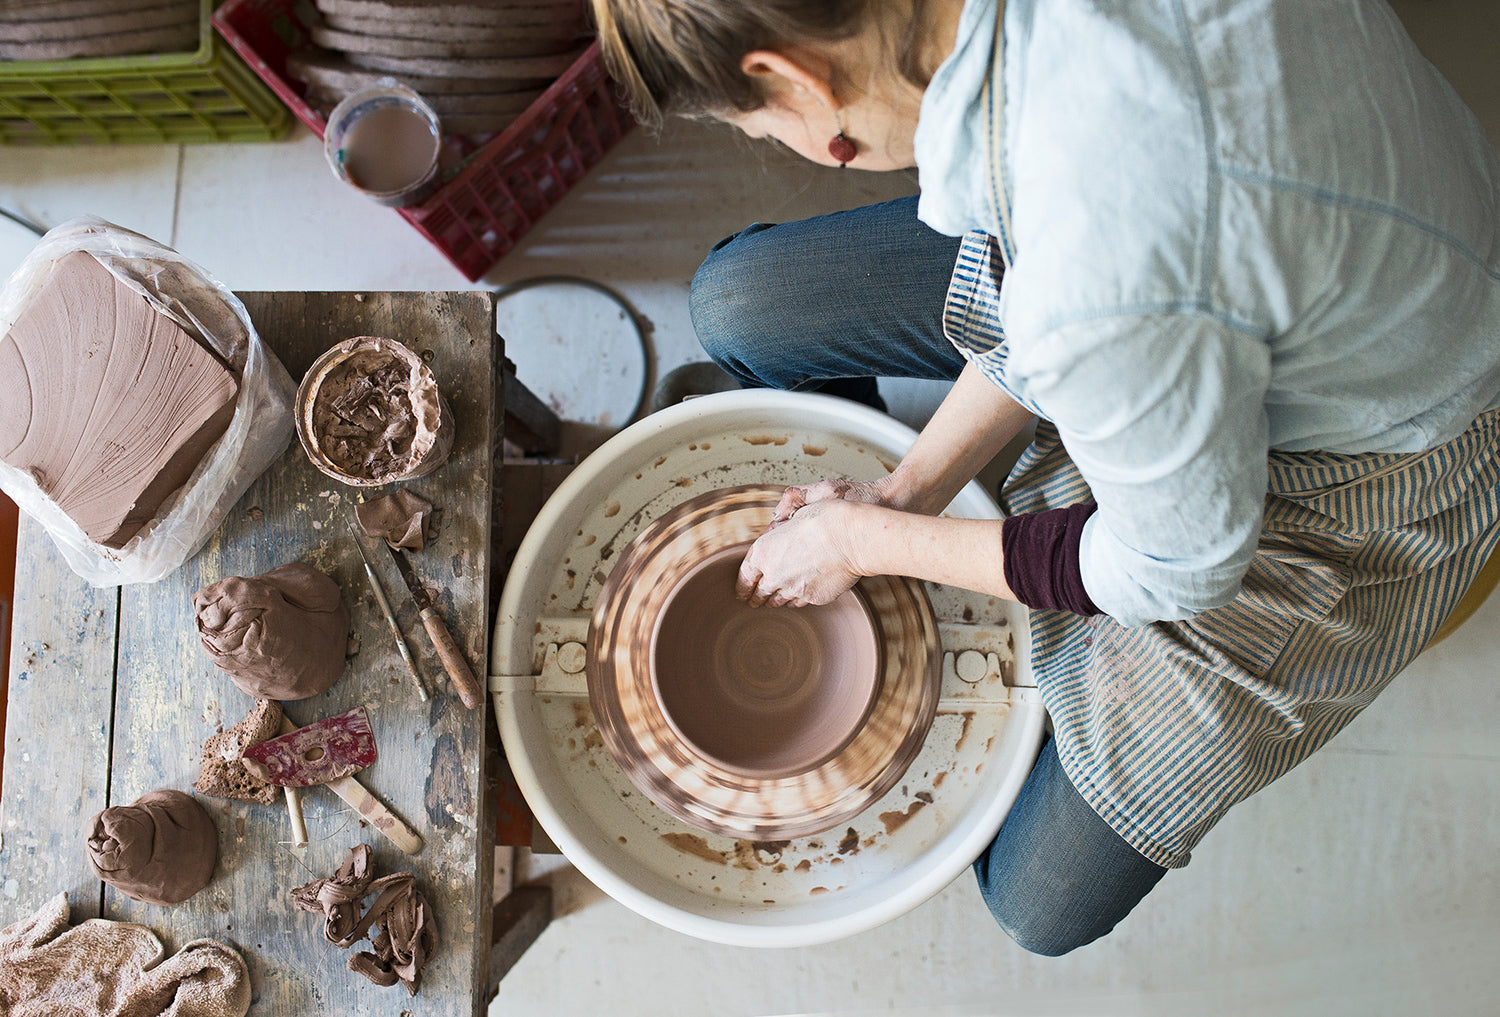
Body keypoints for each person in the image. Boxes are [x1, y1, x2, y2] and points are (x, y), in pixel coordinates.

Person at [590, 0, 1500, 955]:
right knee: (739, 304)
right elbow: (1059, 270)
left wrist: (866, 539)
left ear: (800, 84)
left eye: (761, 124)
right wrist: (903, 495)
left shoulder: (1100, 274)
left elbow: (1169, 567)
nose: (776, 140)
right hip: (1294, 249)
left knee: (1038, 901)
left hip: (1387, 453)